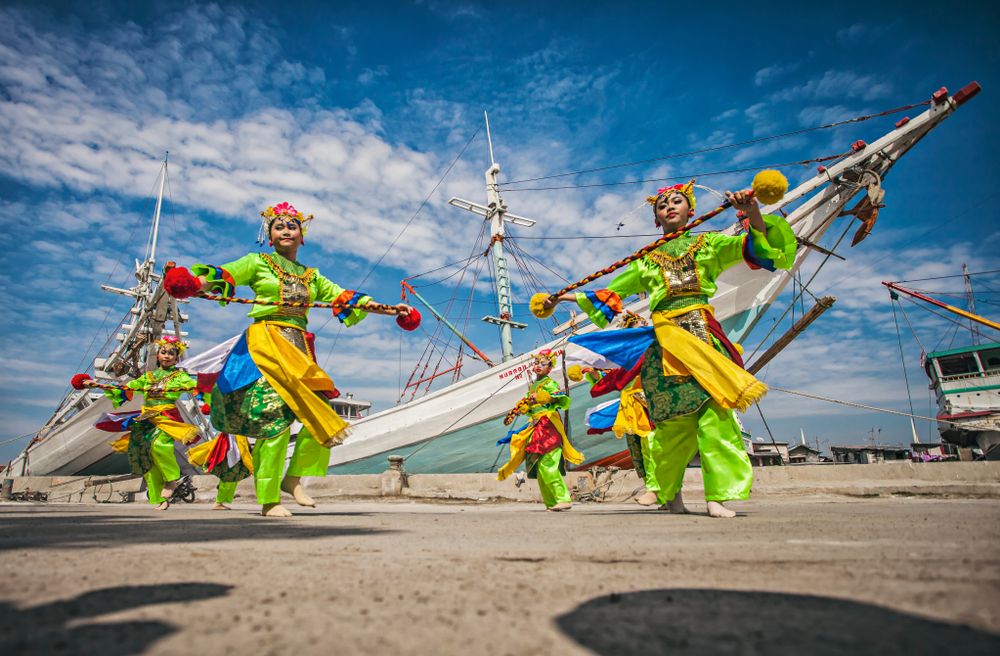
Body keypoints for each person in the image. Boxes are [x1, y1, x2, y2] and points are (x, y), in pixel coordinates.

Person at [549, 180, 795, 518]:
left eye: (676, 201)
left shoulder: (708, 244)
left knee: (716, 415)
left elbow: (751, 249)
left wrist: (752, 211)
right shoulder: (646, 261)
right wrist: (565, 297)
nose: (669, 207)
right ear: (657, 218)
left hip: (702, 336)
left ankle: (717, 497)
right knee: (670, 423)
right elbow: (612, 292)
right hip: (664, 341)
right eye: (662, 205)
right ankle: (670, 497)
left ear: (690, 210)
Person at [164, 201, 414, 517]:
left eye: (292, 225)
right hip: (265, 345)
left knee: (322, 417)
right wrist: (192, 283)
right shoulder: (257, 263)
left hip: (299, 348)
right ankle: (269, 500)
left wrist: (391, 309)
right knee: (276, 423)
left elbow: (342, 296)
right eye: (279, 226)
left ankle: (292, 477)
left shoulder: (312, 276)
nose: (286, 230)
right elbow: (224, 274)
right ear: (270, 236)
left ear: (302, 235)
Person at [83, 336, 200, 510]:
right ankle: (159, 499)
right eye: (164, 352)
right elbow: (129, 388)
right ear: (158, 355)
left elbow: (195, 385)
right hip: (146, 418)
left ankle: (171, 480)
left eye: (172, 353)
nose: (167, 356)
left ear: (177, 358)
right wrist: (96, 385)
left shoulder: (179, 377)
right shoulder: (148, 376)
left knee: (160, 446)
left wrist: (209, 385)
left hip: (167, 417)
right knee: (147, 458)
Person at [571, 312, 661, 506]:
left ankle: (656, 489)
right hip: (630, 408)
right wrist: (594, 374)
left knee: (652, 447)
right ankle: (654, 489)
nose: (640, 330)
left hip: (651, 405)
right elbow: (611, 381)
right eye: (636, 327)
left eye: (642, 326)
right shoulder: (624, 360)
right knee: (638, 450)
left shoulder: (654, 351)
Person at [497, 349, 583, 511]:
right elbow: (533, 407)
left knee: (548, 463)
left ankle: (563, 498)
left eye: (542, 364)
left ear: (549, 368)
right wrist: (526, 409)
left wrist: (547, 397)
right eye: (536, 363)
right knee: (539, 467)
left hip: (549, 425)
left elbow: (562, 399)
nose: (538, 366)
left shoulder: (550, 383)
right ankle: (551, 502)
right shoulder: (533, 386)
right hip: (535, 427)